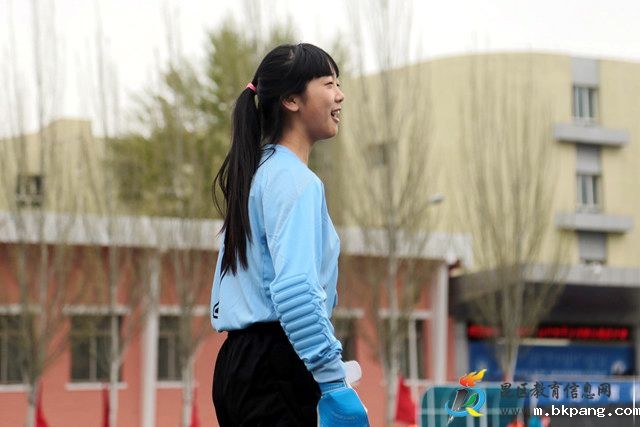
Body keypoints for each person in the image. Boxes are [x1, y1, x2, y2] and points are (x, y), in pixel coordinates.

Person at [210, 43, 370, 427]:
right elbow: (296, 291)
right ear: (291, 100)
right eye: (328, 83)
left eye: (338, 84)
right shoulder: (296, 180)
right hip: (277, 366)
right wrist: (333, 382)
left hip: (238, 364)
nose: (340, 95)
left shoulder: (258, 171)